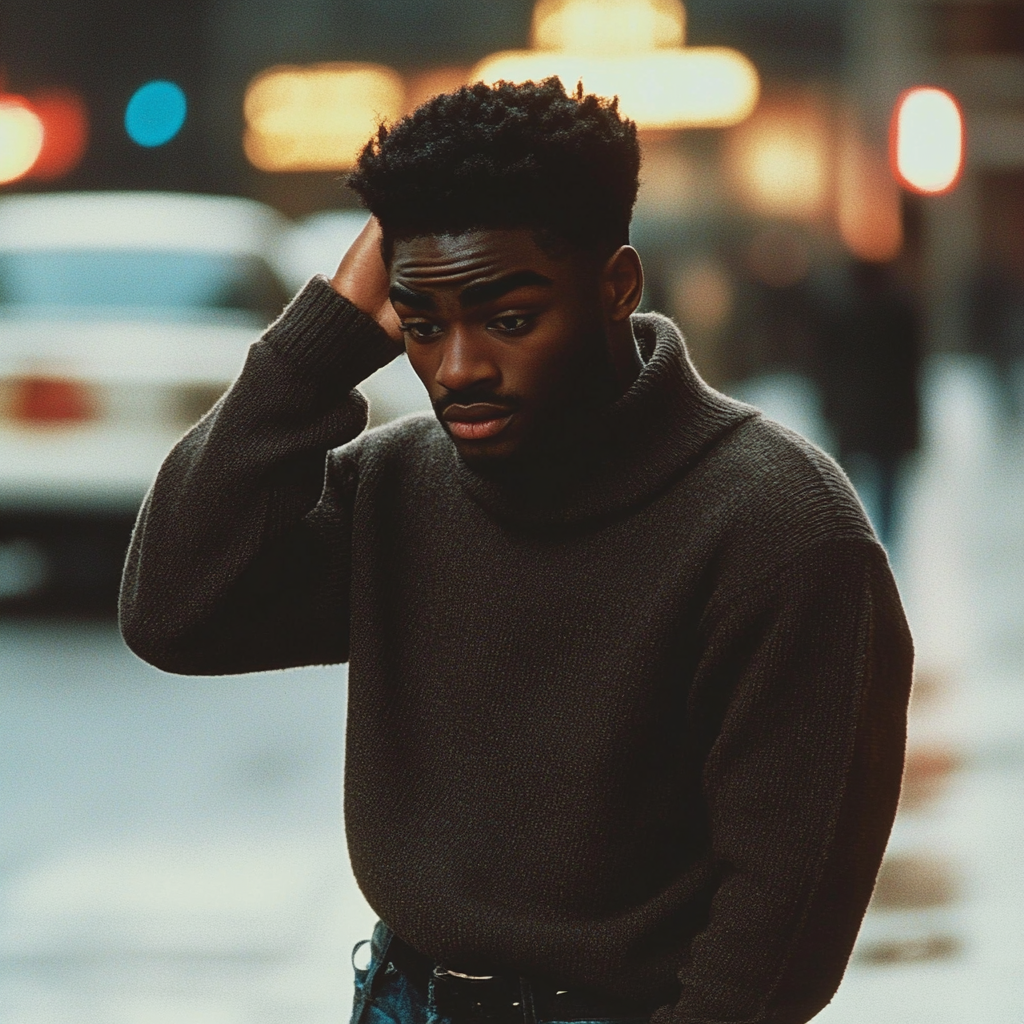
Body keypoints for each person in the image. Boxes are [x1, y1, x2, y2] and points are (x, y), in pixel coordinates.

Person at [119, 79, 914, 1024]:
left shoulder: (781, 529)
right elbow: (174, 610)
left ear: (617, 286)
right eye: (422, 326)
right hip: (398, 999)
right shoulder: (398, 484)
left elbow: (782, 920)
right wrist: (318, 347)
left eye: (508, 318)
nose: (458, 368)